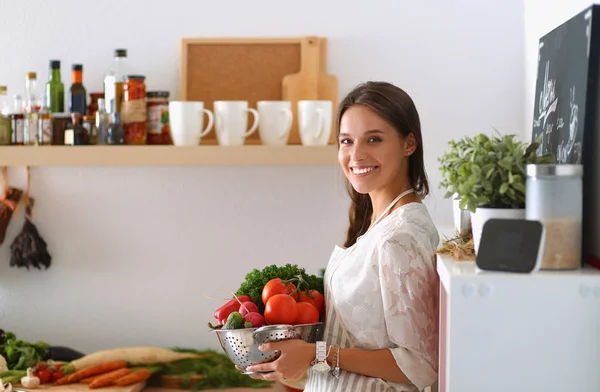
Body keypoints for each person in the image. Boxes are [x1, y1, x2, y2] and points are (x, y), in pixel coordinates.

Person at [244, 81, 440, 392]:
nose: (356, 154)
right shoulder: (380, 222)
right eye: (346, 141)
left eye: (373, 139)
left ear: (409, 143)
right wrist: (291, 354)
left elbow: (421, 365)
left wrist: (316, 353)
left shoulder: (399, 237)